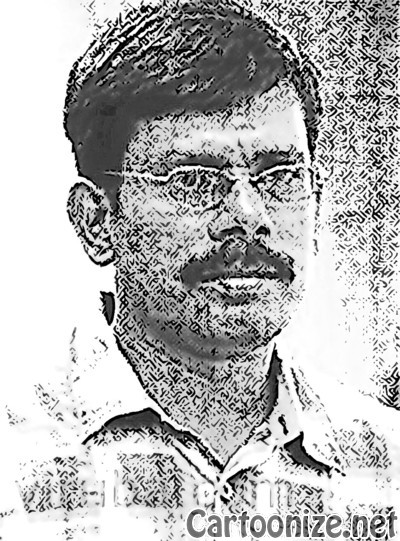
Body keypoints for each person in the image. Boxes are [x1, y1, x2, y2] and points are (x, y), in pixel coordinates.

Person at [1, 1, 398, 539]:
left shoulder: (384, 469)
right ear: (97, 222)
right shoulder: (17, 461)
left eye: (280, 175)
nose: (248, 215)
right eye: (194, 179)